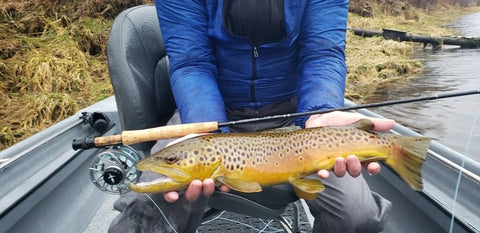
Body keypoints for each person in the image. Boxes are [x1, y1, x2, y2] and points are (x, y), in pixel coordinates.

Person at [109, 0, 393, 232]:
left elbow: (322, 55)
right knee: (146, 210)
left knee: (359, 216)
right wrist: (207, 131)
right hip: (208, 115)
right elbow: (191, 62)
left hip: (298, 116)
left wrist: (319, 113)